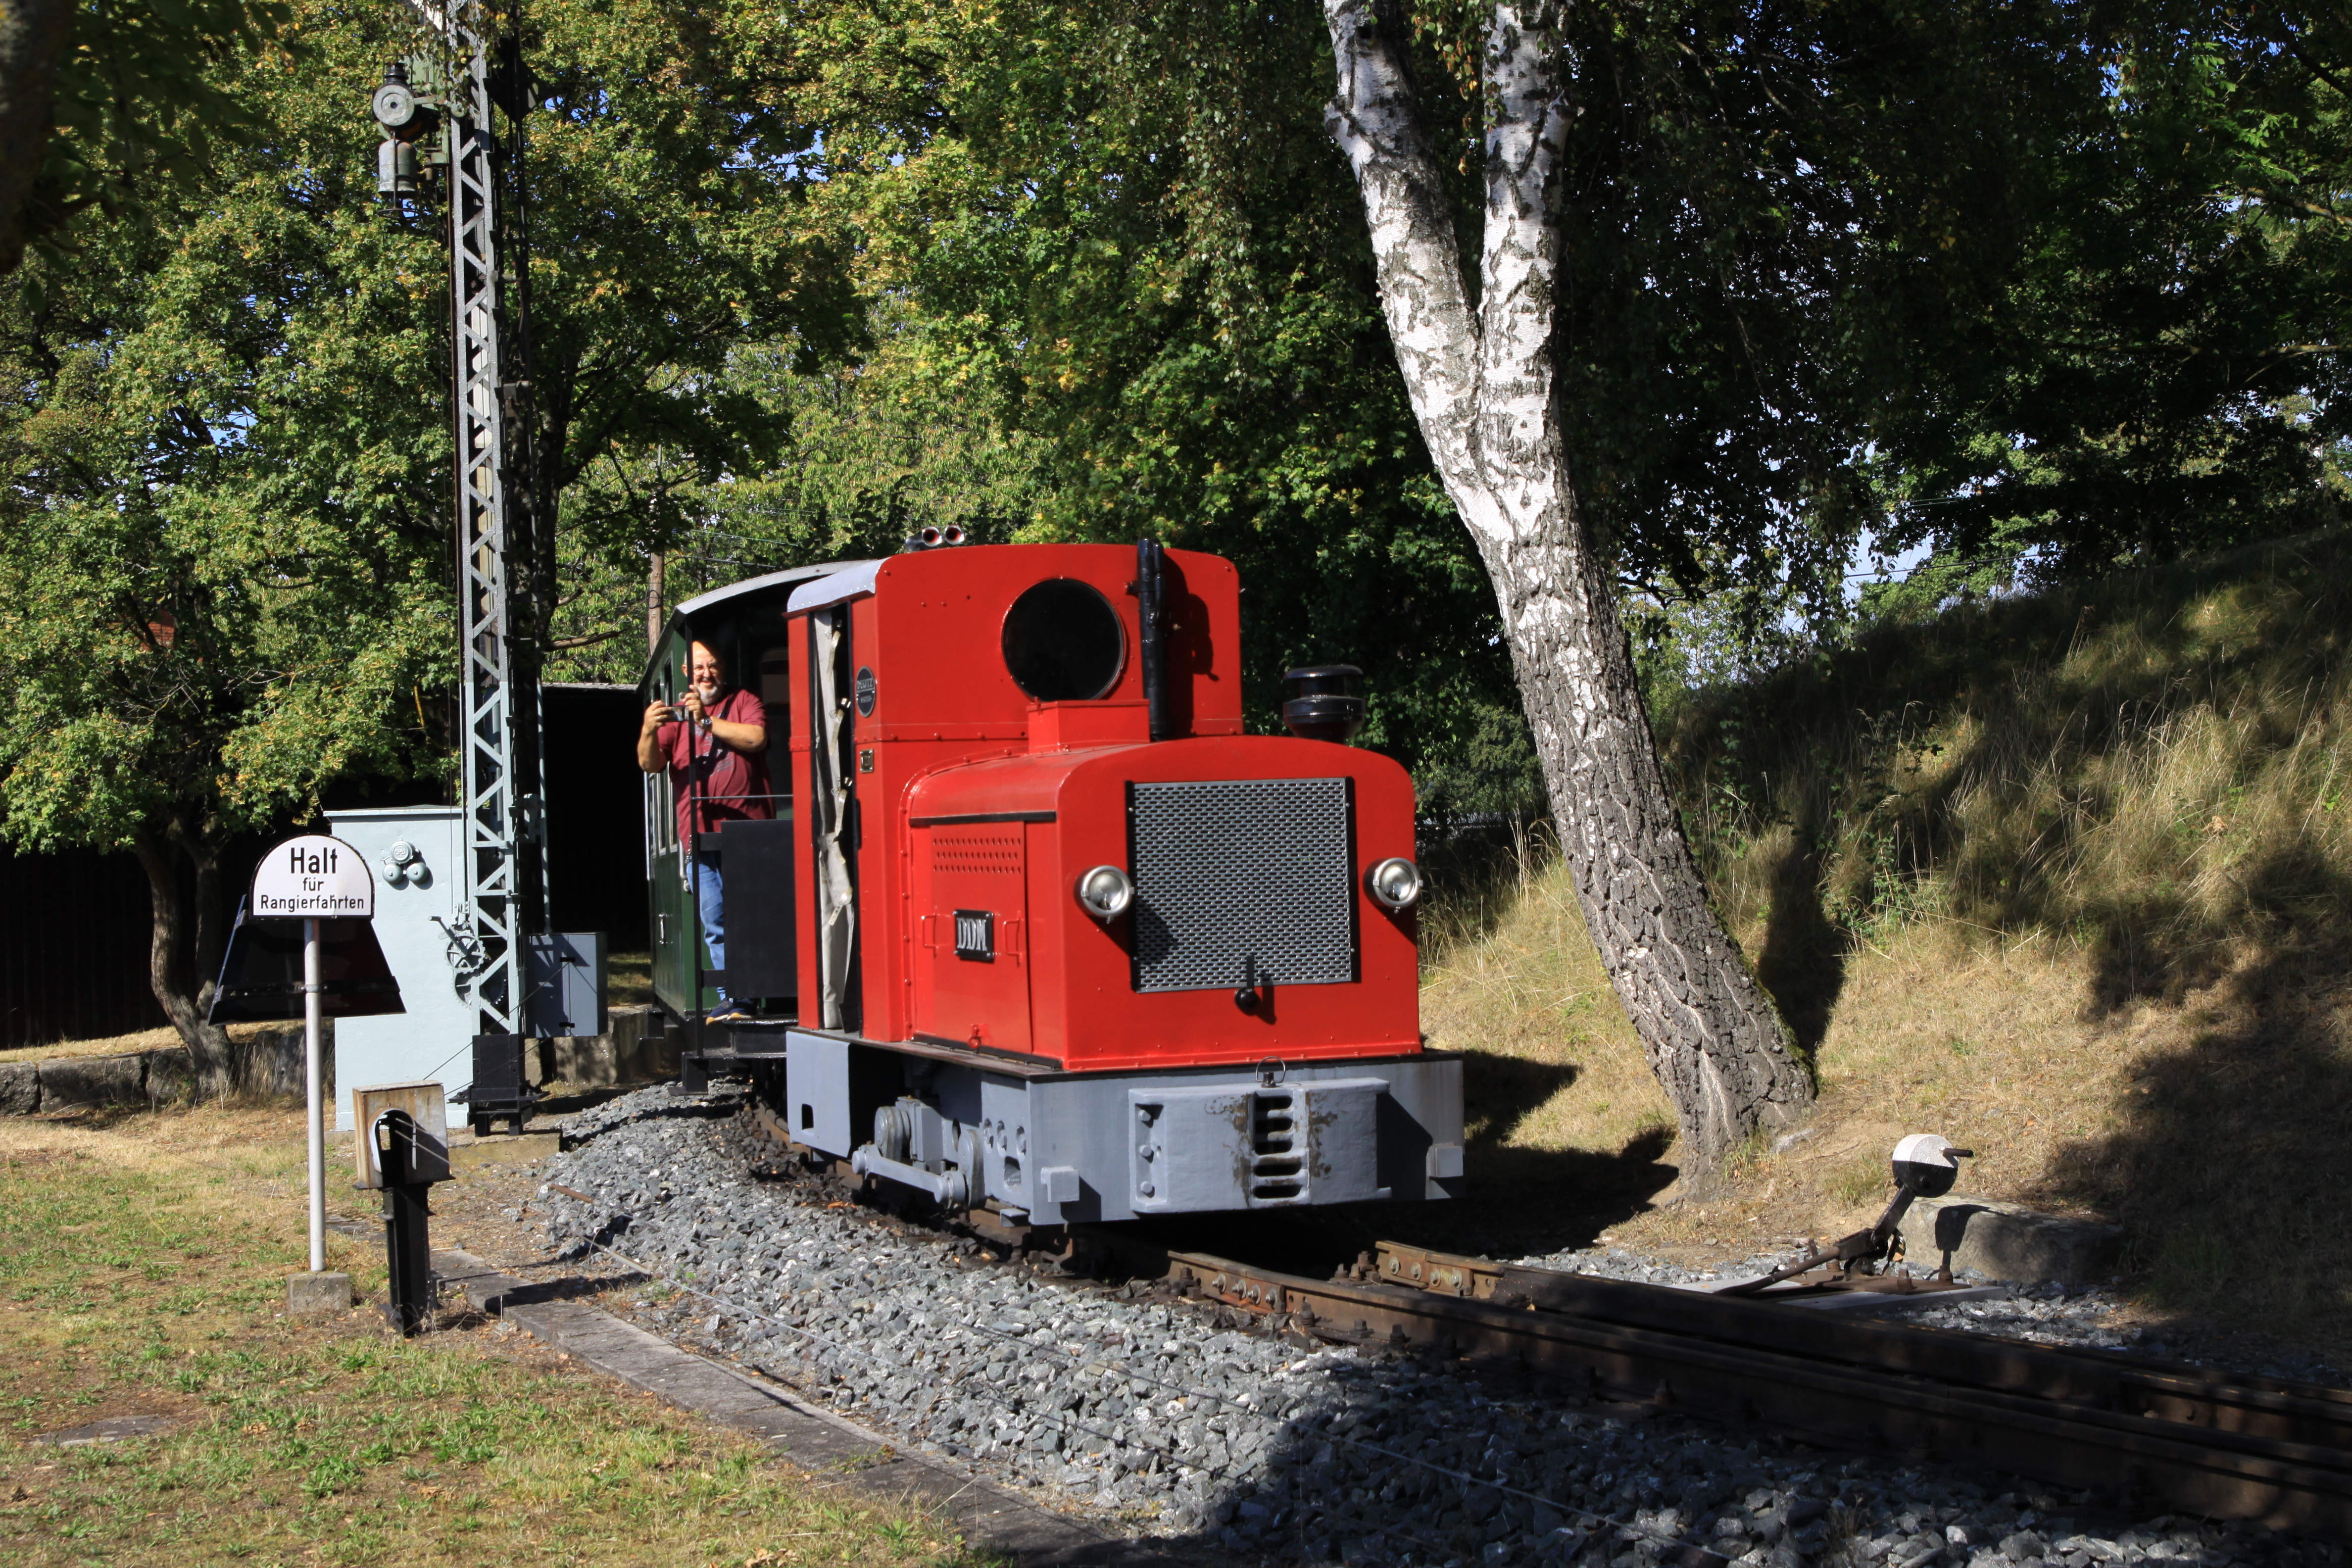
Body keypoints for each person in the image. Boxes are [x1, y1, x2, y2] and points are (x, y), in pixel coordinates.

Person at [637, 639, 771, 1024]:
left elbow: (757, 739)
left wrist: (708, 722)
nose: (706, 674)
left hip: (750, 836)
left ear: (723, 668)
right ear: (685, 673)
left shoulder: (744, 701)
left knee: (749, 918)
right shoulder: (676, 716)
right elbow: (650, 764)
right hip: (698, 837)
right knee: (716, 922)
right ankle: (734, 999)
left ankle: (748, 999)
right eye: (698, 668)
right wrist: (649, 729)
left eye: (712, 666)